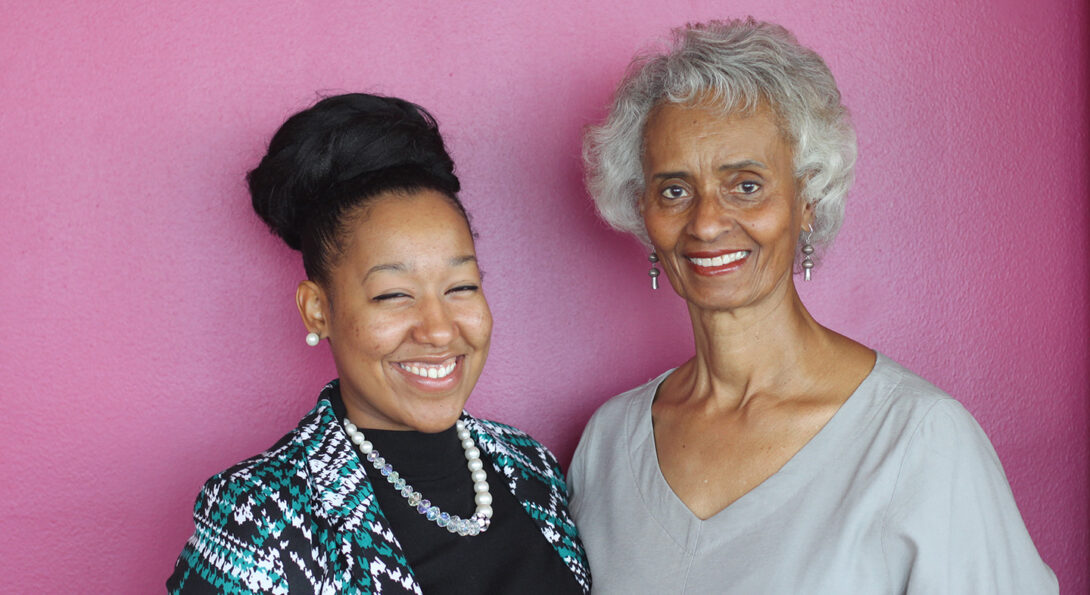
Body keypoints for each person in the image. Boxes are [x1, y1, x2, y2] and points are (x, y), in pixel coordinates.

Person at [568, 19, 1056, 594]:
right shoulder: (608, 443)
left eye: (746, 185)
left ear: (809, 199)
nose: (705, 222)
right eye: (674, 190)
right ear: (642, 210)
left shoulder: (919, 439)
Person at [168, 93, 590, 594]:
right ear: (317, 309)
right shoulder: (259, 518)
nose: (438, 330)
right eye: (393, 295)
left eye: (461, 287)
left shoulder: (530, 466)